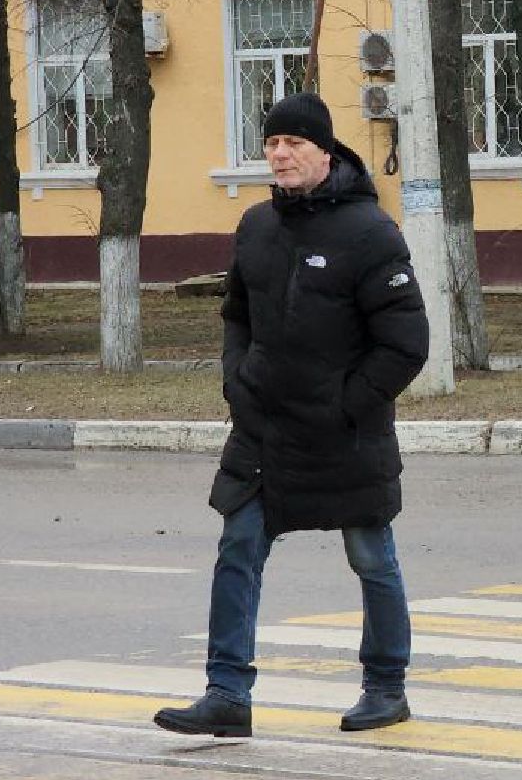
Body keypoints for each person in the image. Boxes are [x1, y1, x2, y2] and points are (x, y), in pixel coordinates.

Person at [154, 92, 429, 739]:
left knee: (371, 556)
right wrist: (237, 381)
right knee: (238, 547)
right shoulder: (256, 227)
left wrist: (345, 406)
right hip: (264, 428)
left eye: (293, 144)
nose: (279, 154)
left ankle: (386, 687)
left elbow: (405, 345)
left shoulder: (370, 233)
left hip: (344, 435)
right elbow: (235, 318)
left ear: (324, 153)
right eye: (272, 143)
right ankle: (226, 693)